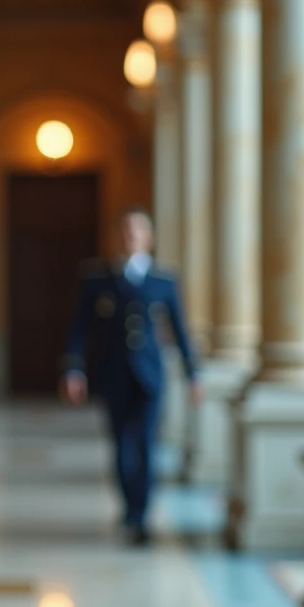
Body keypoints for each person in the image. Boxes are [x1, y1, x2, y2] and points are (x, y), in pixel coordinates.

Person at [59, 207, 201, 547]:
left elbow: (180, 330)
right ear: (117, 237)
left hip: (151, 376)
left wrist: (193, 374)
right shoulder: (98, 280)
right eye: (125, 231)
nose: (130, 237)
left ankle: (142, 514)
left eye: (137, 231)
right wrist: (73, 369)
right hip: (114, 374)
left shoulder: (164, 281)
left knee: (148, 445)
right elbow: (79, 328)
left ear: (149, 238)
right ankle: (129, 510)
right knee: (122, 446)